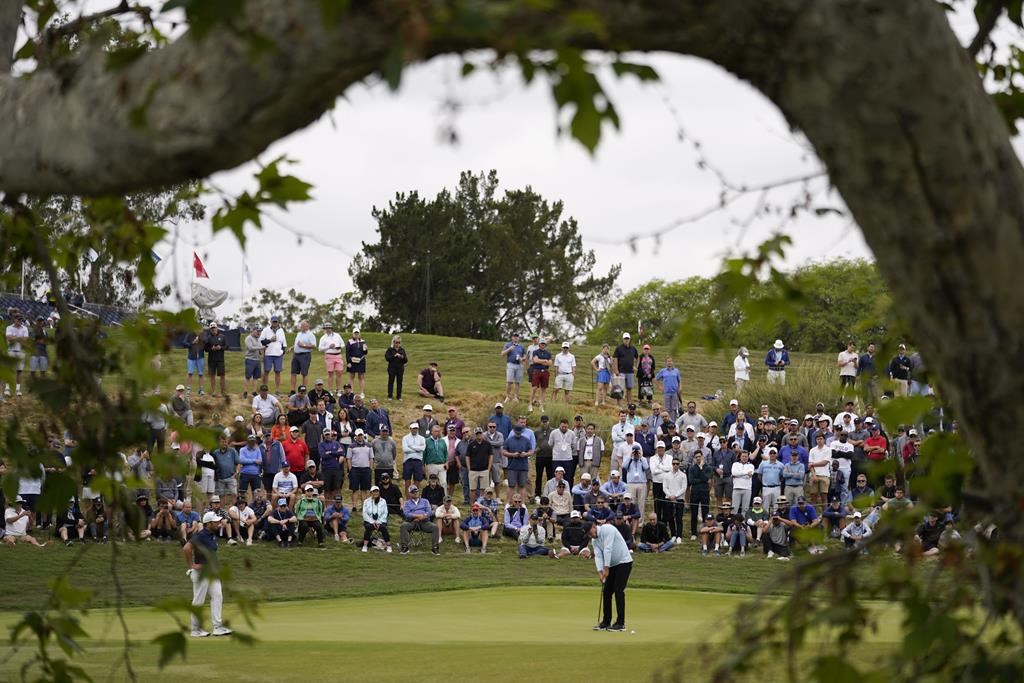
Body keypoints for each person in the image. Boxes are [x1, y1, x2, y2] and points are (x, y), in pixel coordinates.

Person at [183, 511, 233, 637]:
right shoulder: (201, 535)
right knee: (198, 600)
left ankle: (217, 627)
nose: (218, 523)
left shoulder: (212, 535)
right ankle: (195, 630)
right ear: (208, 523)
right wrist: (192, 565)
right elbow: (186, 548)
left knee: (217, 596)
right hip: (201, 572)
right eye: (215, 522)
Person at [590, 520, 633, 631]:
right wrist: (600, 572)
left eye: (590, 532)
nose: (590, 535)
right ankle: (606, 621)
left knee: (618, 590)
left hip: (624, 562)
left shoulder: (608, 529)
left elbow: (608, 549)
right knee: (607, 591)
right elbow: (598, 556)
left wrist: (606, 568)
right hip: (612, 565)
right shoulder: (594, 540)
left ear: (594, 526)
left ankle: (620, 623)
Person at [503, 424, 534, 504]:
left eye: (519, 432)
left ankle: (522, 503)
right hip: (512, 466)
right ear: (514, 431)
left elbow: (531, 451)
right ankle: (508, 503)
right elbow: (504, 452)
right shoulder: (509, 440)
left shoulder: (526, 440)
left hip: (523, 466)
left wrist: (525, 454)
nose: (518, 434)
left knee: (522, 486)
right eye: (517, 432)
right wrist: (512, 454)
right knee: (511, 485)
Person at [688, 451, 713, 540]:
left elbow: (706, 478)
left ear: (702, 457)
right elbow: (691, 480)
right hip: (694, 492)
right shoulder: (692, 468)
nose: (698, 458)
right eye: (696, 457)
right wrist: (701, 479)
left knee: (705, 513)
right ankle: (694, 533)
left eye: (699, 456)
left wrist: (701, 468)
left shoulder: (708, 467)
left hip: (705, 492)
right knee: (694, 513)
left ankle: (705, 530)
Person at [259, 316, 287, 394]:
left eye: (276, 322)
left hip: (278, 354)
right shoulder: (266, 330)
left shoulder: (281, 330)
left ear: (278, 322)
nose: (275, 323)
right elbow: (261, 341)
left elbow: (283, 342)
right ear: (271, 322)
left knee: (278, 372)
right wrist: (270, 340)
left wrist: (283, 351)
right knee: (266, 371)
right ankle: (264, 388)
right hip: (268, 353)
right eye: (273, 322)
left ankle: (277, 390)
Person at [317, 322, 344, 394]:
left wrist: (339, 346)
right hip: (329, 355)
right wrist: (329, 347)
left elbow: (343, 344)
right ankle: (330, 390)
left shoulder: (337, 335)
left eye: (329, 328)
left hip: (338, 355)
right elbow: (320, 349)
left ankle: (338, 390)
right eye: (326, 328)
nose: (328, 329)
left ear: (331, 328)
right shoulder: (323, 338)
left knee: (339, 372)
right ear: (324, 329)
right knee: (330, 373)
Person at [526, 338, 552, 412]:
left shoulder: (548, 353)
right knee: (534, 388)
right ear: (539, 344)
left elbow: (550, 363)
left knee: (543, 389)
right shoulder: (535, 352)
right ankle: (530, 405)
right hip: (537, 371)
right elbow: (535, 360)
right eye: (541, 344)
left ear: (545, 345)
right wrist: (544, 361)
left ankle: (541, 405)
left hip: (545, 372)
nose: (543, 345)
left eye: (544, 344)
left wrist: (541, 361)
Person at [203, 322, 228, 397]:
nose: (213, 329)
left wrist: (220, 347)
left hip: (220, 359)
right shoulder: (208, 338)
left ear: (217, 328)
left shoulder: (222, 336)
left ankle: (223, 391)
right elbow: (206, 349)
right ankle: (214, 391)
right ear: (210, 329)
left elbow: (227, 346)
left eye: (214, 328)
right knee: (212, 375)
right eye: (212, 328)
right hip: (211, 360)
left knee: (222, 375)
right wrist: (211, 348)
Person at [501, 332, 526, 403]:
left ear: (518, 338)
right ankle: (507, 397)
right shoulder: (508, 345)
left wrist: (522, 358)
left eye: (517, 336)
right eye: (514, 336)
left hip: (519, 365)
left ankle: (515, 397)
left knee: (517, 382)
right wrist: (509, 349)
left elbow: (525, 355)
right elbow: (502, 354)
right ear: (512, 337)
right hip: (510, 364)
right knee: (509, 381)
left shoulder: (521, 346)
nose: (515, 337)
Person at [384, 335, 408, 400]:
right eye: (396, 342)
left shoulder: (402, 350)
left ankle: (399, 396)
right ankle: (390, 396)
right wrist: (394, 356)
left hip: (400, 368)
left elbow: (406, 360)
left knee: (399, 382)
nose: (397, 344)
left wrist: (401, 356)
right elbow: (387, 358)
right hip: (392, 368)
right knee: (391, 382)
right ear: (393, 342)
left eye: (399, 342)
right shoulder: (390, 349)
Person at [242, 325, 263, 398]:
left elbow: (260, 349)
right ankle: (245, 392)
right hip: (250, 359)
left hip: (257, 360)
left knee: (256, 377)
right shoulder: (248, 338)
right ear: (253, 330)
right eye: (257, 331)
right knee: (248, 376)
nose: (259, 333)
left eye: (260, 331)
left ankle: (254, 391)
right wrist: (260, 348)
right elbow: (250, 348)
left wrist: (261, 351)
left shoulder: (258, 339)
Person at [184, 326, 206, 396]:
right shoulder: (190, 334)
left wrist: (201, 337)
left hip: (200, 357)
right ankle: (188, 390)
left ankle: (201, 390)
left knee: (201, 374)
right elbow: (184, 343)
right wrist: (192, 343)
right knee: (190, 373)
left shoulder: (203, 335)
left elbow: (207, 341)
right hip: (191, 357)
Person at [28, 316, 49, 383]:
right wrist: (41, 341)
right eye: (39, 321)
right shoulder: (32, 330)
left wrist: (38, 340)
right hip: (34, 352)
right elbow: (32, 341)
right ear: (36, 321)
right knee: (32, 371)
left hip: (43, 353)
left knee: (43, 371)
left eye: (41, 321)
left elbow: (46, 342)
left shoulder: (45, 331)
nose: (40, 322)